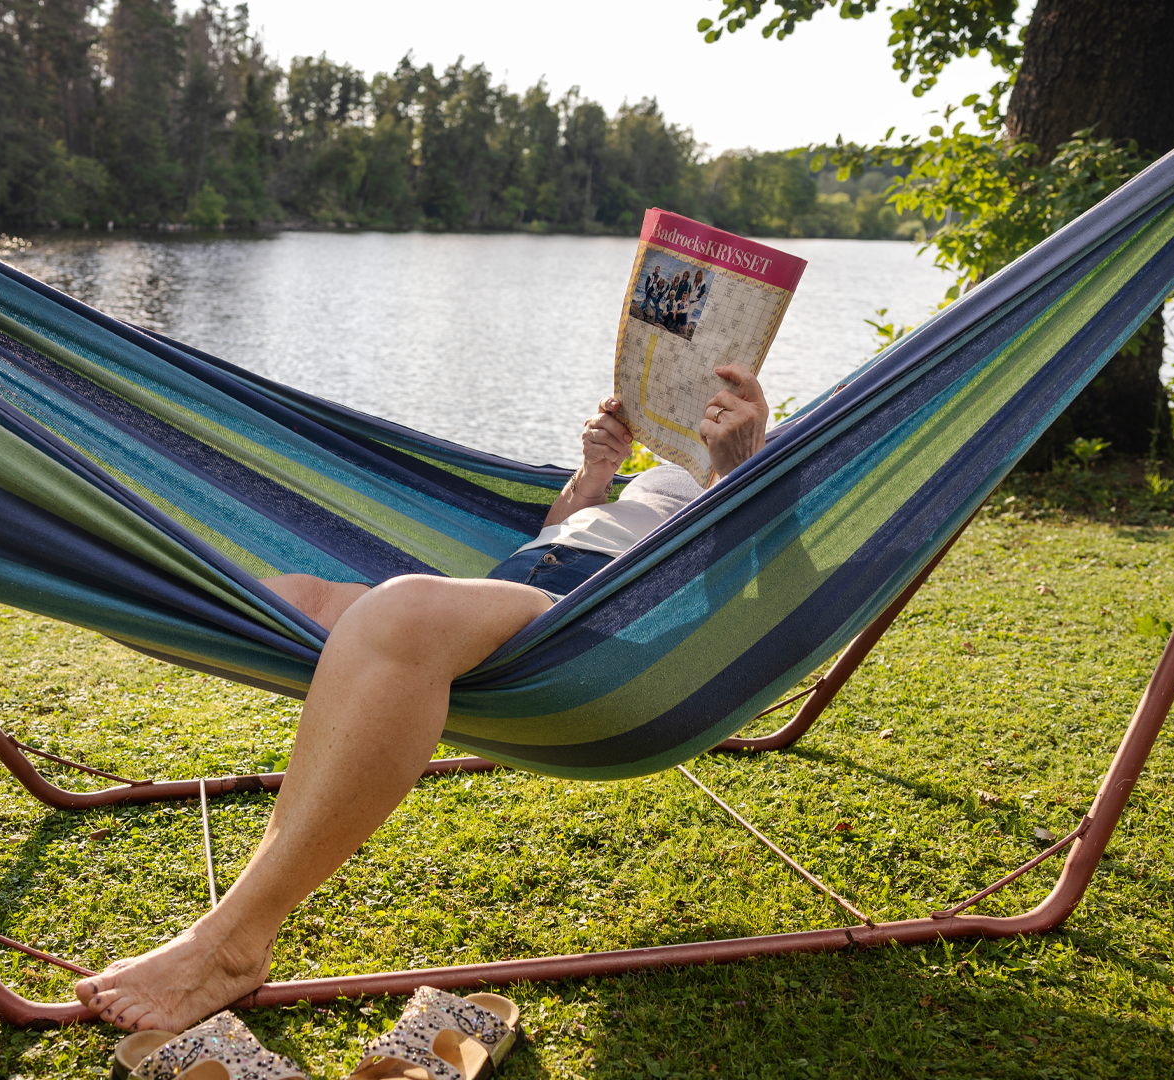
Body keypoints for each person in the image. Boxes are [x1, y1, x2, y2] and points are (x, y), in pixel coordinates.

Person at [76, 364, 770, 1034]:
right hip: (526, 576)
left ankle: (233, 942)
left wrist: (740, 471)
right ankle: (60, 550)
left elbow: (742, 606)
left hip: (595, 618)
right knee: (291, 597)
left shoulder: (763, 469)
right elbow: (555, 534)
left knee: (403, 612)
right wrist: (593, 476)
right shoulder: (664, 468)